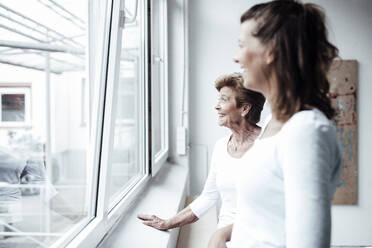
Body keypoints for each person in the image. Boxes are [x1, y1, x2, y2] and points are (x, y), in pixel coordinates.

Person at [214, 1, 343, 247]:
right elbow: (270, 213)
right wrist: (223, 233)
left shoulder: (306, 132)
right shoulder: (275, 121)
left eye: (241, 45)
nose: (236, 56)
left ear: (271, 51)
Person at [138, 73, 265, 246]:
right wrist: (167, 223)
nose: (216, 106)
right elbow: (208, 197)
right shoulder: (221, 147)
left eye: (224, 100)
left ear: (244, 109)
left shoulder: (268, 144)